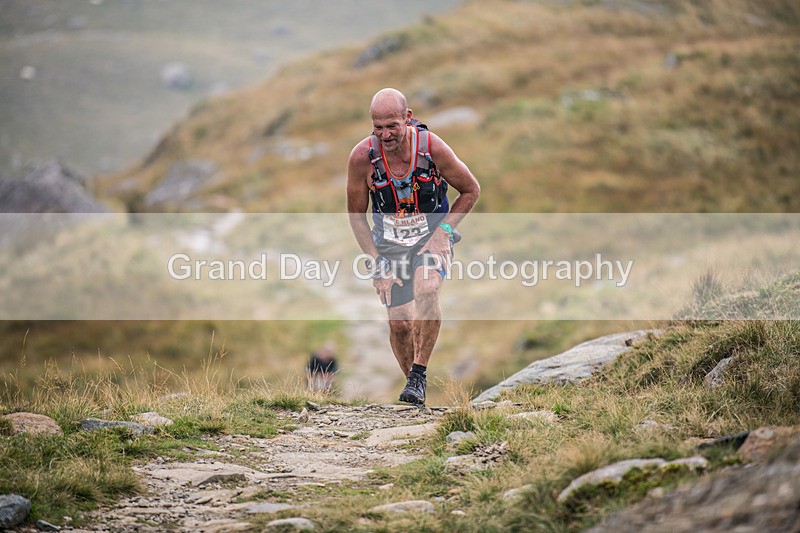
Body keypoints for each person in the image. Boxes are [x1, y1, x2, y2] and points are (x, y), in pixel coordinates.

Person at [346, 88, 480, 405]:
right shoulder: (362, 158)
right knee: (401, 324)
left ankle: (418, 373)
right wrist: (377, 262)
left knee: (428, 287)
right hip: (389, 245)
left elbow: (471, 190)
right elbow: (356, 217)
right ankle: (414, 391)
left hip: (429, 237)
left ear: (408, 117)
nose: (385, 134)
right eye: (378, 127)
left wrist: (444, 231)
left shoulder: (431, 148)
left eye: (392, 125)